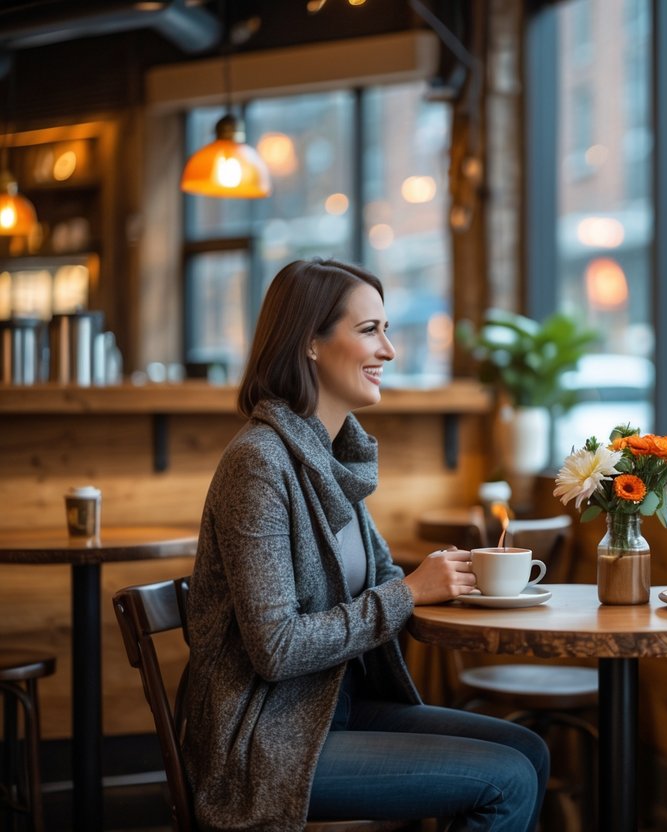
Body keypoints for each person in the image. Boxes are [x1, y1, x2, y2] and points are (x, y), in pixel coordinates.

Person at [183, 258, 549, 831]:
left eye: (387, 330)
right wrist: (409, 592)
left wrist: (456, 575)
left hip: (333, 709)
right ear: (309, 342)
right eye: (369, 330)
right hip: (265, 740)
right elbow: (276, 649)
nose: (389, 350)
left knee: (529, 750)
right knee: (508, 778)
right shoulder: (258, 464)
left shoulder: (332, 457)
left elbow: (382, 577)